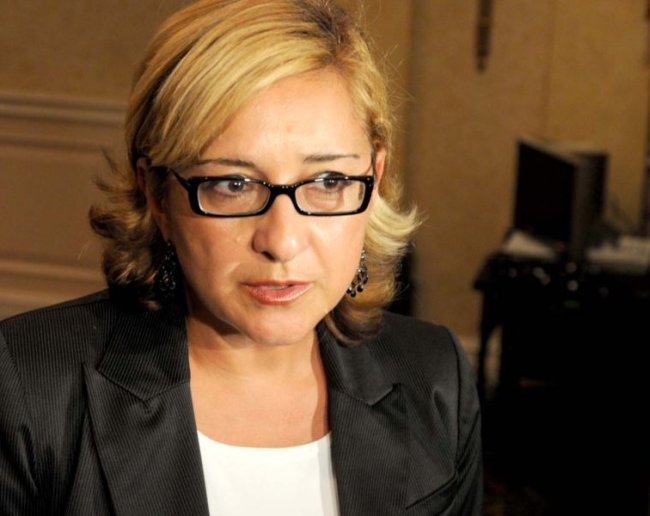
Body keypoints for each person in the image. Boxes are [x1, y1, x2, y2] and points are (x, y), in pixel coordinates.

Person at [0, 0, 482, 514]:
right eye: (233, 184)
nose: (282, 241)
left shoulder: (436, 378)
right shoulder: (26, 388)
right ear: (157, 194)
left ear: (375, 179)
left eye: (327, 181)